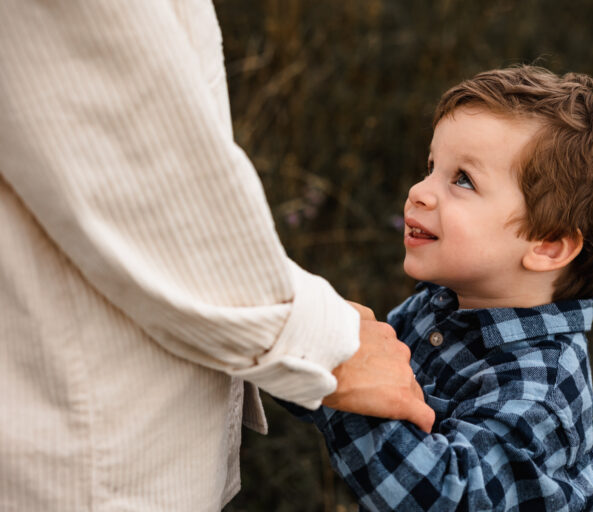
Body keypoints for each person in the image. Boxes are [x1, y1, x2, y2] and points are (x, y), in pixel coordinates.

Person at [0, 2, 433, 511]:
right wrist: (327, 348)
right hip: (81, 463)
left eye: (464, 179)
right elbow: (134, 166)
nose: (418, 192)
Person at [287, 66, 593, 510]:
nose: (418, 192)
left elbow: (446, 497)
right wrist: (297, 347)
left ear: (547, 245)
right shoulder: (438, 306)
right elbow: (344, 380)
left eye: (462, 180)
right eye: (431, 167)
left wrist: (342, 374)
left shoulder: (540, 385)